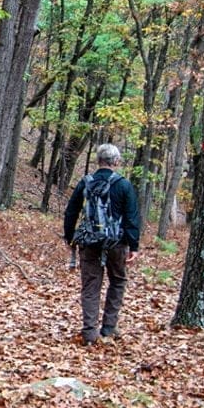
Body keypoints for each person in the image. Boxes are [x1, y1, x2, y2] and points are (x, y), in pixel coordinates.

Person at [63, 143, 142, 345]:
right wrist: (134, 246)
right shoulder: (124, 185)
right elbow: (132, 217)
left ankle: (90, 333)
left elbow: (71, 212)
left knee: (90, 287)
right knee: (117, 281)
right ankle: (108, 327)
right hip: (116, 243)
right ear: (116, 161)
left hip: (88, 243)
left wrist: (70, 237)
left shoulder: (85, 183)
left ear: (98, 161)